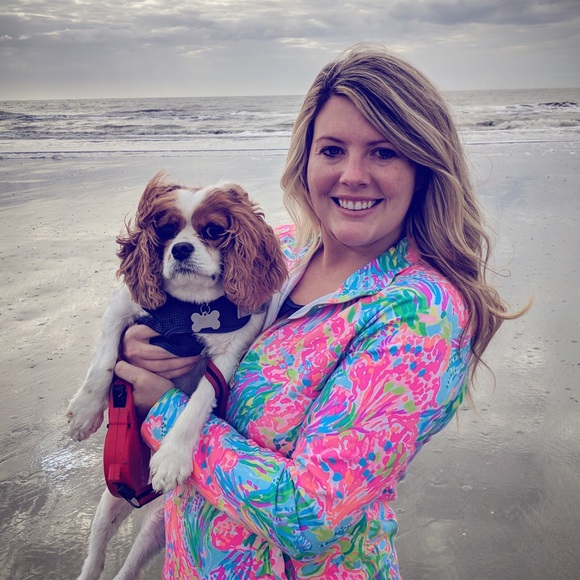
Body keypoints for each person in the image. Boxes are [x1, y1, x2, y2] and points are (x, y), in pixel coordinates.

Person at [115, 44, 523, 578]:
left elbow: (309, 516)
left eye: (383, 152)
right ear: (305, 160)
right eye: (332, 150)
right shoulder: (282, 249)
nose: (352, 174)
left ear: (423, 167)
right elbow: (170, 308)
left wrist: (166, 411)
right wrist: (144, 344)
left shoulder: (420, 315)